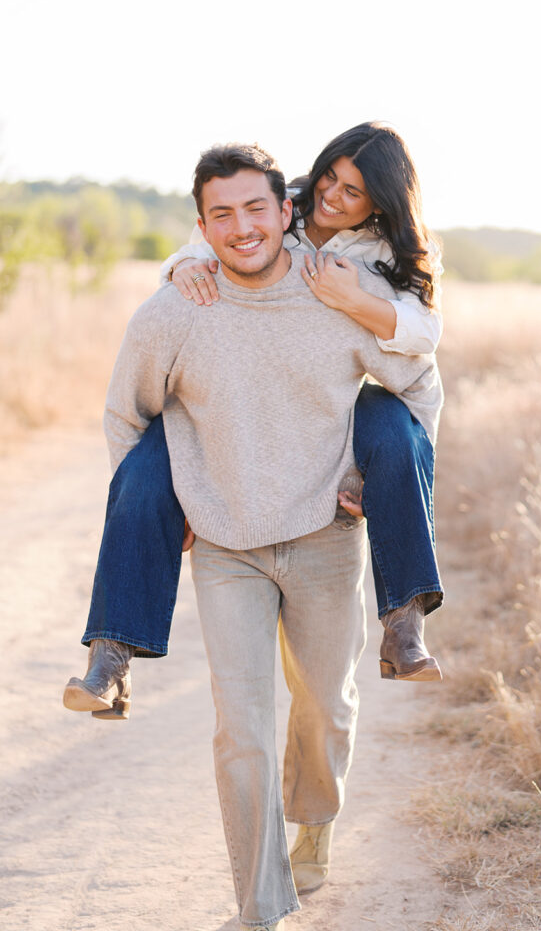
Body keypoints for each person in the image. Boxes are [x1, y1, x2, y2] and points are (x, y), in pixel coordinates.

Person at [86, 142, 443, 930]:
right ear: (203, 225)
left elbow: (418, 384)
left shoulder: (340, 289)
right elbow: (126, 418)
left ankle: (315, 818)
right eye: (222, 215)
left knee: (326, 706)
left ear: (286, 213)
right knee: (240, 730)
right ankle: (261, 906)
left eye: (257, 210)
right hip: (226, 545)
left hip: (323, 533)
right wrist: (158, 505)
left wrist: (373, 474)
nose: (241, 228)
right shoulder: (179, 305)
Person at [64, 122, 444, 724]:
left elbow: (425, 347)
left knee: (399, 432)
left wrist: (355, 304)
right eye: (331, 178)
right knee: (141, 473)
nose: (334, 197)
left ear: (381, 205)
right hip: (231, 405)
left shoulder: (380, 255)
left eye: (355, 192)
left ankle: (405, 618)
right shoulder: (272, 209)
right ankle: (111, 653)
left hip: (346, 399)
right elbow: (203, 241)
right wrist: (180, 269)